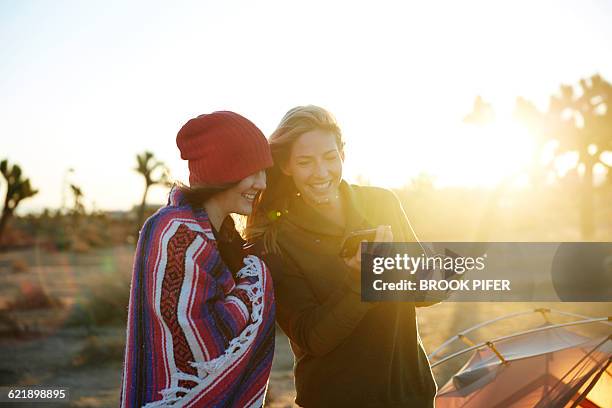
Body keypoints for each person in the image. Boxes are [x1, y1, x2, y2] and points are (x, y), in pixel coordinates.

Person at [246, 105, 437, 407]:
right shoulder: (274, 239)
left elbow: (429, 291)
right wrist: (359, 281)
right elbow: (312, 338)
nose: (321, 173)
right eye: (305, 162)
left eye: (330, 157)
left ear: (342, 155)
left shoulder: (382, 203)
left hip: (411, 395)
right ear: (286, 166)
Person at [120, 111, 276, 408]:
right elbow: (199, 347)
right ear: (223, 171)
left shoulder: (227, 237)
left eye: (265, 171)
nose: (263, 183)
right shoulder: (172, 231)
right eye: (254, 171)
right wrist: (259, 280)